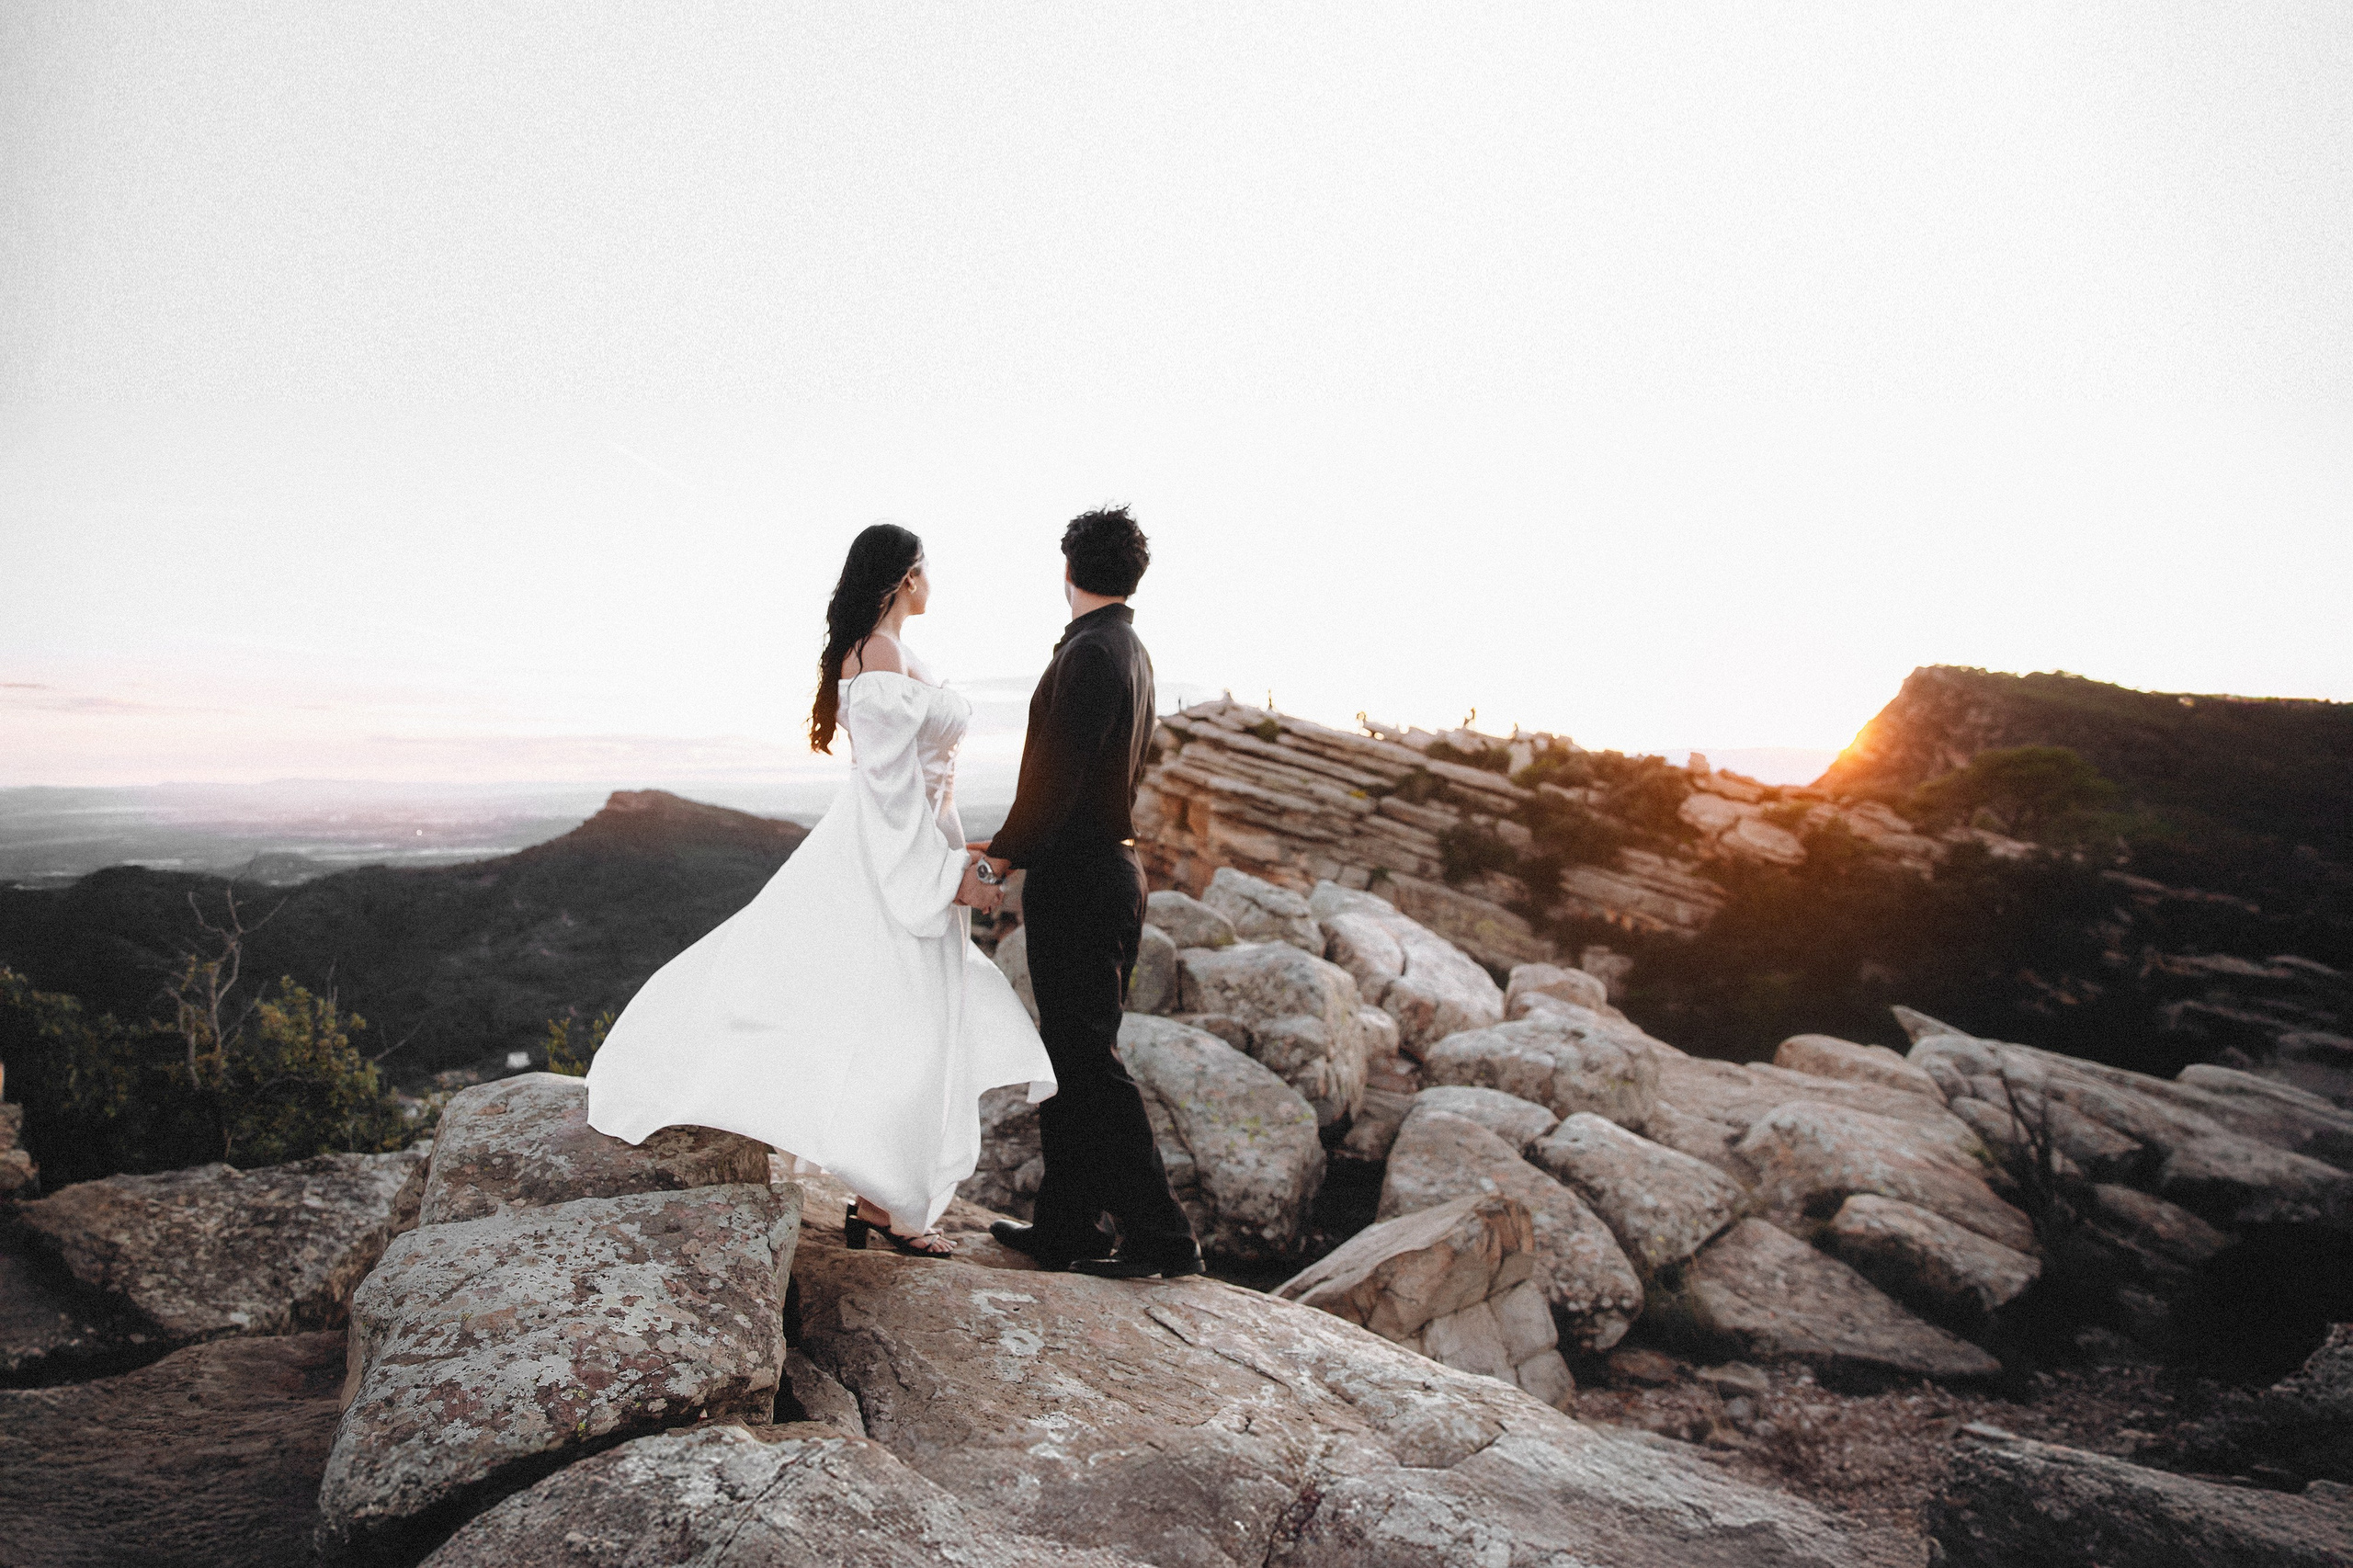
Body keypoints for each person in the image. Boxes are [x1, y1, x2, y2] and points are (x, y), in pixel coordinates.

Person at [585, 523, 1047, 1256]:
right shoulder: (884, 654)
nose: (933, 584)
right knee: (904, 1028)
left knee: (903, 1023)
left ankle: (880, 1204)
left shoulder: (885, 651)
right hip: (889, 858)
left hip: (916, 843)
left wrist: (964, 848)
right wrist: (945, 875)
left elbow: (918, 789)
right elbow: (891, 793)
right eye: (927, 571)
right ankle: (893, 1203)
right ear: (905, 578)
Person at [980, 507, 1205, 1279]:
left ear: (1068, 570)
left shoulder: (1089, 654)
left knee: (1087, 1061)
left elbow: (1055, 777)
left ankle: (1162, 1237)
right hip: (1110, 869)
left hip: (1079, 876)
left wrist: (1000, 859)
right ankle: (1067, 1224)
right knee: (1073, 1056)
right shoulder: (1130, 650)